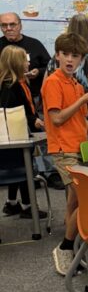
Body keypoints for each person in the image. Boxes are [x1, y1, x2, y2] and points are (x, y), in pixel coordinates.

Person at [42, 31, 88, 274]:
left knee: (75, 201)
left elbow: (81, 121)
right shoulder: (54, 82)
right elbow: (57, 118)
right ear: (57, 55)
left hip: (78, 148)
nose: (70, 59)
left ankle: (76, 249)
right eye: (65, 54)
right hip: (64, 151)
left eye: (76, 56)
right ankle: (64, 248)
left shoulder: (74, 83)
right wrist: (84, 99)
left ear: (82, 59)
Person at [0, 44, 44, 218]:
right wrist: (34, 121)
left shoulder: (18, 82)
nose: (28, 63)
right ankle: (27, 206)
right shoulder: (10, 86)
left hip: (18, 133)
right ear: (16, 63)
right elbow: (14, 112)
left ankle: (11, 203)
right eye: (24, 61)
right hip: (16, 135)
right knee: (25, 168)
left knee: (16, 167)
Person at [0, 12, 50, 104]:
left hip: (34, 97)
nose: (8, 29)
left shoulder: (34, 44)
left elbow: (50, 67)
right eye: (4, 25)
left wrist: (38, 72)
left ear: (20, 25)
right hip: (6, 99)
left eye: (12, 24)